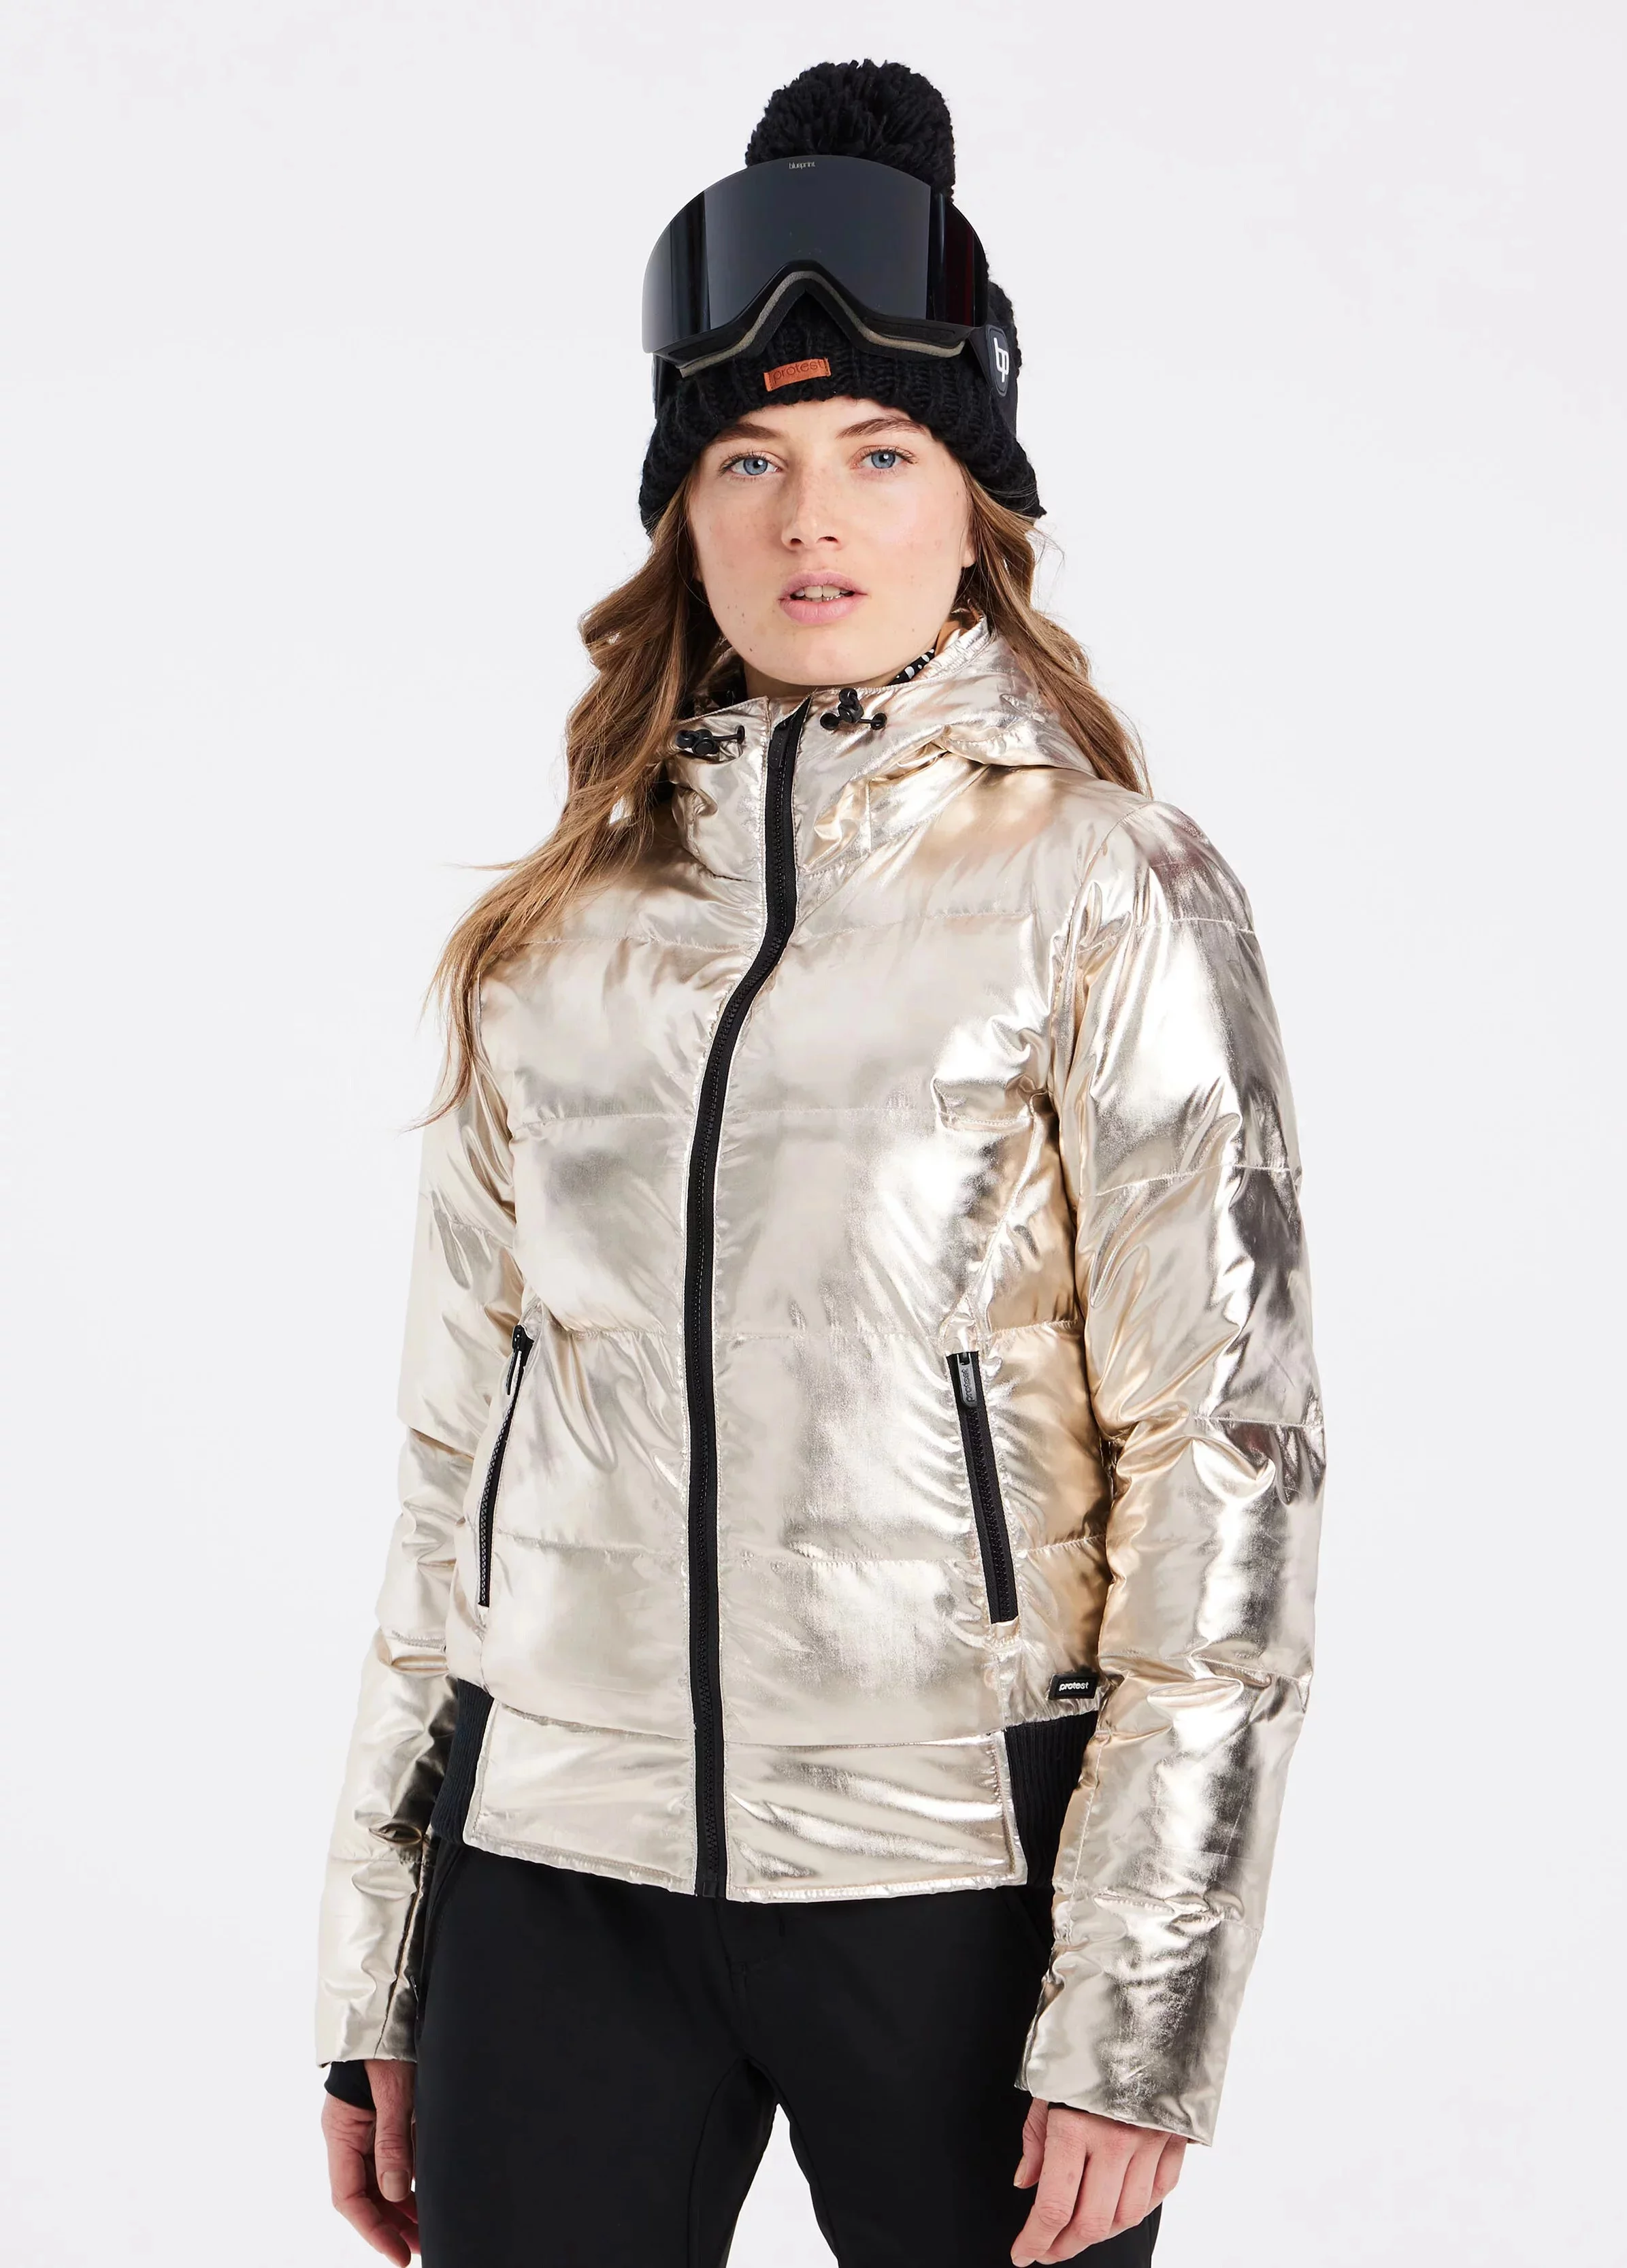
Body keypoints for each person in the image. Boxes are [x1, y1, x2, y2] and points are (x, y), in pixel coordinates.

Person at [315, 57, 1325, 2268]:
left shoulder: (1105, 886)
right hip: (554, 1881)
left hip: (954, 1871)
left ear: (975, 502)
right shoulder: (553, 942)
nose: (810, 520)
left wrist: (1136, 2009)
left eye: (880, 452)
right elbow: (450, 1470)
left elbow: (1225, 1462)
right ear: (681, 514)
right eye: (748, 462)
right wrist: (384, 1963)